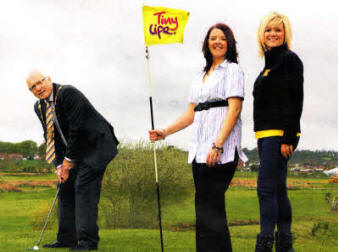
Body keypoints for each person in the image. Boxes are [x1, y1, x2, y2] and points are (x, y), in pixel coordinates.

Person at [149, 23, 247, 252]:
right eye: (213, 38)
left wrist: (218, 144)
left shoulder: (233, 70)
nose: (217, 42)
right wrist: (165, 132)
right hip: (199, 151)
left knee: (212, 209)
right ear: (207, 44)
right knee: (203, 209)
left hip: (220, 150)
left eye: (222, 38)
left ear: (229, 43)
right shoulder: (200, 76)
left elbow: (234, 109)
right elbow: (191, 113)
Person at [26, 70, 119, 251]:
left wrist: (68, 161)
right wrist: (59, 165)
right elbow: (51, 136)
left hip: (96, 146)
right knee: (65, 189)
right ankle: (66, 239)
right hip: (76, 150)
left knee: (83, 188)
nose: (38, 88)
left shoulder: (68, 93)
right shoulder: (39, 107)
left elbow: (77, 129)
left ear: (49, 79)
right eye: (32, 87)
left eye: (39, 83)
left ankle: (87, 242)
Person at [253, 12, 304, 252]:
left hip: (279, 135)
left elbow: (296, 101)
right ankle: (285, 245)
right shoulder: (268, 64)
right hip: (264, 136)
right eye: (268, 30)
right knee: (278, 189)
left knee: (265, 188)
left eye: (278, 30)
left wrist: (289, 137)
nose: (273, 34)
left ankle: (265, 243)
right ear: (261, 35)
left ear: (285, 34)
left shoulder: (289, 59)